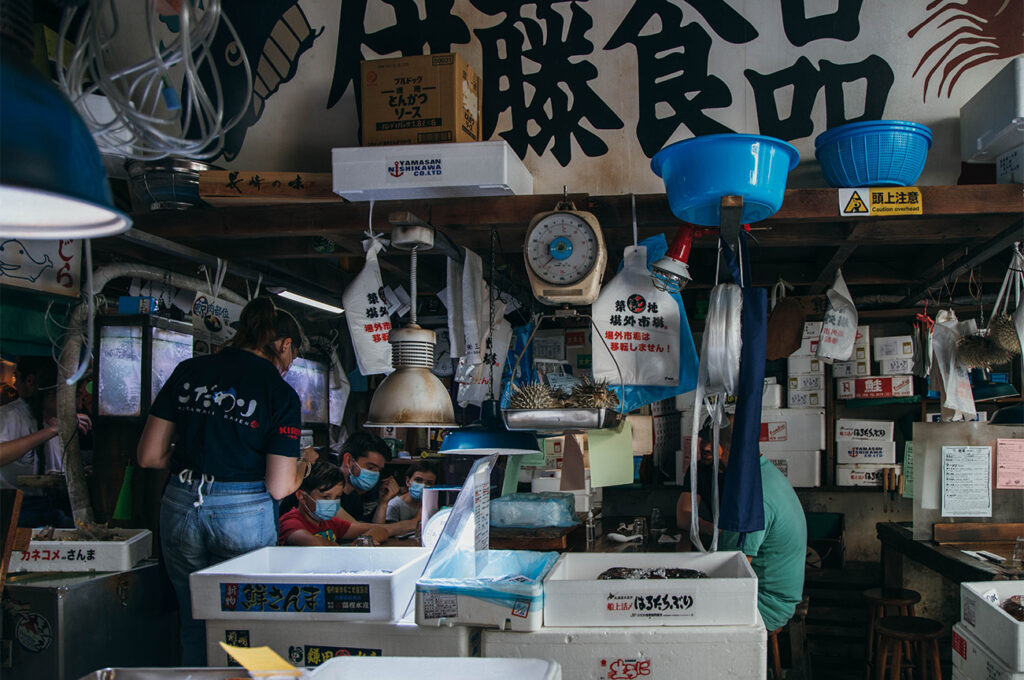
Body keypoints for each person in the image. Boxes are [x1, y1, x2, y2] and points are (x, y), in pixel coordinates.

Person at [137, 296, 319, 666]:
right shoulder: (279, 393)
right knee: (244, 627)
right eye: (293, 356)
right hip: (243, 513)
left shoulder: (189, 371)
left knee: (194, 622)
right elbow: (280, 487)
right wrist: (304, 468)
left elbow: (149, 456)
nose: (289, 365)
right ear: (284, 346)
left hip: (181, 506)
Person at [716, 428, 807, 633]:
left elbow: (732, 568)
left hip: (765, 605)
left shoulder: (751, 494)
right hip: (776, 597)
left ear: (720, 450)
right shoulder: (763, 473)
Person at [0, 357, 90, 527]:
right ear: (49, 394)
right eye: (73, 397)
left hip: (48, 505)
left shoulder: (55, 421)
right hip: (14, 507)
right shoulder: (11, 415)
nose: (78, 405)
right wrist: (51, 431)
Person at [279, 461, 394, 546]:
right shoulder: (290, 522)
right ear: (302, 497)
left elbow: (381, 530)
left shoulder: (329, 522)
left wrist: (362, 541)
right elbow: (313, 543)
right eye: (326, 497)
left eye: (337, 497)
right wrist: (351, 548)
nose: (332, 503)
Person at [675, 424, 725, 545]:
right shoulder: (698, 469)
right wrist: (712, 529)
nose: (706, 447)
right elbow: (683, 517)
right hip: (718, 540)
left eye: (713, 442)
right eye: (703, 441)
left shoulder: (741, 474)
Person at [337, 431, 399, 524]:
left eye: (379, 470)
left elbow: (371, 532)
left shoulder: (354, 497)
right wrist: (410, 524)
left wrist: (383, 503)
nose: (375, 474)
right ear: (348, 460)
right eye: (370, 467)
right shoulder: (327, 495)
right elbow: (356, 529)